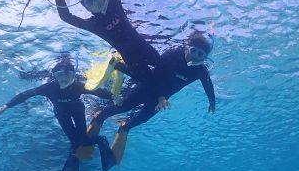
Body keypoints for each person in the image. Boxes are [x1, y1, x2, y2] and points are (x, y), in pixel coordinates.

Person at [85, 31, 216, 164]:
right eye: (193, 51)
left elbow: (208, 84)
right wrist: (161, 97)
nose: (195, 57)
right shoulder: (172, 55)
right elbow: (152, 77)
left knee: (142, 118)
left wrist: (212, 102)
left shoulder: (200, 70)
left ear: (205, 58)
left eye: (200, 55)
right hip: (146, 86)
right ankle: (98, 118)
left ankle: (124, 128)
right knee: (121, 107)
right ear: (186, 47)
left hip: (161, 98)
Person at [0, 54, 117, 171]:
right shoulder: (49, 87)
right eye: (59, 75)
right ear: (54, 76)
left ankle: (100, 141)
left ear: (73, 74)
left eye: (68, 74)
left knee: (82, 138)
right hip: (61, 112)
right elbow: (25, 94)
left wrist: (114, 97)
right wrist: (4, 107)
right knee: (74, 141)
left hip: (77, 109)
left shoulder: (78, 85)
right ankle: (85, 145)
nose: (63, 79)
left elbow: (98, 91)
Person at [54, 0, 159, 84]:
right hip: (131, 59)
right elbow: (66, 17)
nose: (96, 2)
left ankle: (117, 65)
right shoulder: (93, 25)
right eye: (90, 2)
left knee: (161, 65)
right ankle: (118, 65)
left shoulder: (114, 6)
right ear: (86, 8)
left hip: (144, 48)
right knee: (147, 81)